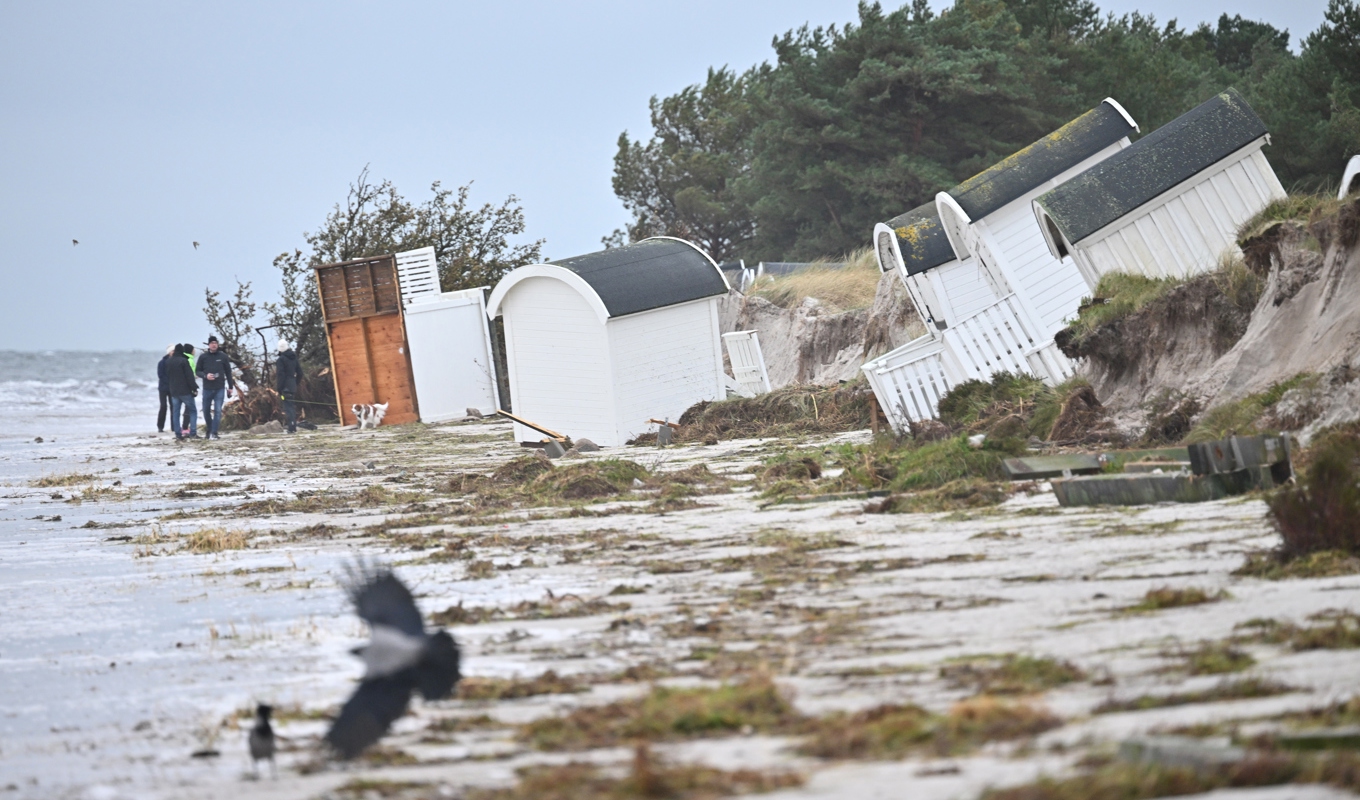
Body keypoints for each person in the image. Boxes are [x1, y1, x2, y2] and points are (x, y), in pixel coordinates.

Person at [196, 335, 236, 440]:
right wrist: (206, 376)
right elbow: (197, 371)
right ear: (209, 345)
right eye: (212, 343)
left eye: (215, 343)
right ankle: (209, 430)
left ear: (217, 344)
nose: (214, 345)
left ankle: (214, 432)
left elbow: (228, 372)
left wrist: (230, 386)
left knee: (218, 410)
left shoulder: (223, 356)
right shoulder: (203, 357)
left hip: (219, 388)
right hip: (207, 388)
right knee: (206, 410)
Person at [165, 344, 199, 440]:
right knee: (193, 411)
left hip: (174, 392)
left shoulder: (169, 361)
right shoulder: (183, 361)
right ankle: (193, 433)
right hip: (185, 391)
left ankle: (177, 434)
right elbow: (189, 376)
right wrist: (194, 388)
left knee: (176, 412)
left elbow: (167, 376)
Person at [275, 340, 302, 434]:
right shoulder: (294, 358)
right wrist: (295, 383)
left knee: (288, 407)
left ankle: (291, 428)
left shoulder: (281, 360)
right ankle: (293, 425)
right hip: (292, 386)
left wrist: (279, 388)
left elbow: (280, 375)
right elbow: (300, 373)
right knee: (291, 406)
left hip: (285, 387)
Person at [156, 344, 174, 432]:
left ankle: (174, 426)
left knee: (173, 406)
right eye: (172, 351)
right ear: (169, 352)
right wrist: (169, 381)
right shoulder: (162, 362)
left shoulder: (175, 362)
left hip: (173, 388)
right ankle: (160, 426)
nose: (173, 352)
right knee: (163, 406)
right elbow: (160, 375)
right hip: (163, 388)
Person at [181, 343, 198, 434]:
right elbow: (190, 374)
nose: (194, 351)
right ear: (191, 351)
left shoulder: (184, 358)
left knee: (187, 407)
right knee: (190, 408)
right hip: (189, 387)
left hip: (183, 387)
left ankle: (184, 427)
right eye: (193, 349)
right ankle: (185, 427)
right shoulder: (189, 360)